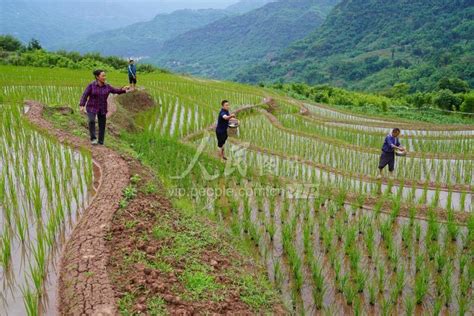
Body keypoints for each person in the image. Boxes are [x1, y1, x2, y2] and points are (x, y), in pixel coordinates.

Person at [79, 69, 128, 145]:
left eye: (105, 75)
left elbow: (116, 90)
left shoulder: (107, 86)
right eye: (103, 76)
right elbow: (85, 94)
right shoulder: (91, 86)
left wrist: (123, 90)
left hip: (102, 108)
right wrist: (82, 105)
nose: (105, 77)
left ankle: (101, 141)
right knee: (91, 121)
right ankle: (93, 138)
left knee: (102, 125)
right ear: (97, 77)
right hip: (92, 107)